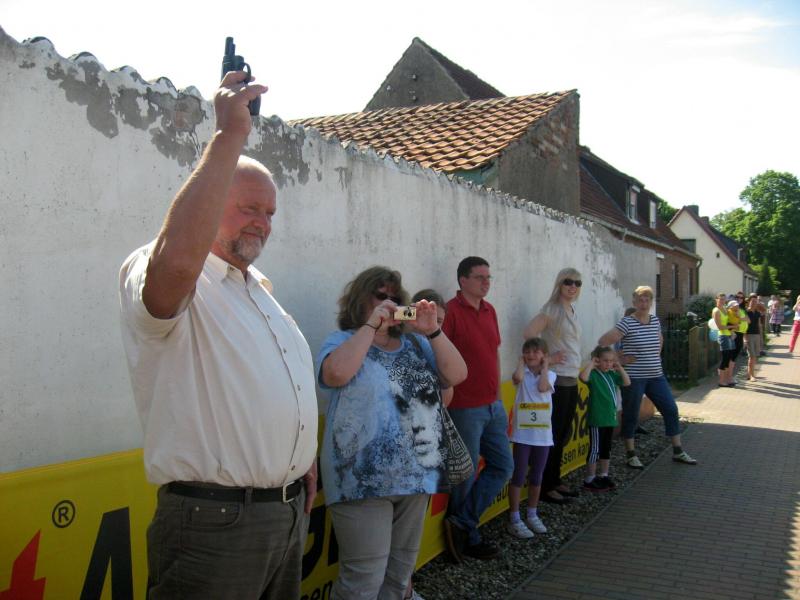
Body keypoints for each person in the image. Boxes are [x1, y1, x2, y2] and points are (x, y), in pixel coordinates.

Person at [118, 72, 319, 599]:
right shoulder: (171, 272)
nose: (262, 223)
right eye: (249, 208)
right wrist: (229, 137)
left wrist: (299, 459)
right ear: (210, 201)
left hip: (284, 512)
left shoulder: (259, 292)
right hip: (215, 524)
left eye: (269, 213)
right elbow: (177, 264)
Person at [317, 267, 467, 599]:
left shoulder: (416, 344)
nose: (388, 302)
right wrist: (371, 326)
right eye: (380, 296)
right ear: (360, 299)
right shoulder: (342, 341)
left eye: (395, 298)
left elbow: (457, 375)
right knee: (363, 581)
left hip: (415, 479)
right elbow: (336, 374)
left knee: (398, 579)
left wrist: (433, 331)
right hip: (360, 481)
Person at [442, 257, 514, 562]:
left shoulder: (490, 310)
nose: (486, 282)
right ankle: (466, 539)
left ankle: (461, 523)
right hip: (463, 408)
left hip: (492, 405)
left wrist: (497, 395)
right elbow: (438, 354)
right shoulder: (449, 312)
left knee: (503, 466)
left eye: (488, 277)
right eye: (480, 277)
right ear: (463, 280)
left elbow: (494, 353)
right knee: (465, 475)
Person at [598, 286, 697, 467]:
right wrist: (618, 358)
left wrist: (654, 356)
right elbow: (603, 341)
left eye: (647, 300)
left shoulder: (655, 320)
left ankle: (678, 450)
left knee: (670, 409)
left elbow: (659, 339)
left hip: (656, 376)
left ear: (651, 302)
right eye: (640, 300)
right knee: (631, 414)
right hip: (634, 378)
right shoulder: (627, 322)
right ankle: (631, 454)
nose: (644, 304)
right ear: (634, 302)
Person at [522, 268, 583, 504]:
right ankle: (546, 487)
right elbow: (529, 333)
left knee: (563, 433)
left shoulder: (571, 309)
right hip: (557, 380)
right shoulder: (551, 309)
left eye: (577, 283)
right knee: (553, 434)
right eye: (568, 282)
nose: (573, 286)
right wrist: (547, 360)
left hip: (571, 378)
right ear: (559, 284)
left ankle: (554, 480)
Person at [506, 338, 556, 539]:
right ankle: (514, 517)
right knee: (518, 475)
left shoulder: (550, 374)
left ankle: (532, 514)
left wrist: (545, 367)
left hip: (542, 436)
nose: (531, 355)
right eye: (527, 352)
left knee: (536, 476)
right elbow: (517, 378)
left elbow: (543, 387)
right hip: (522, 435)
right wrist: (520, 362)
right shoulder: (522, 373)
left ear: (544, 355)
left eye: (536, 352)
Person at [579, 346, 631, 492]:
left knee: (606, 448)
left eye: (611, 361)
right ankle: (589, 478)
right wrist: (591, 364)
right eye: (605, 361)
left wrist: (619, 367)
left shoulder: (612, 375)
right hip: (597, 419)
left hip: (609, 418)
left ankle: (604, 475)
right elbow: (583, 377)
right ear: (597, 360)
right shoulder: (594, 375)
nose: (608, 364)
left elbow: (627, 382)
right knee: (595, 449)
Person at [712, 293, 737, 387]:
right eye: (721, 299)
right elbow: (720, 327)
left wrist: (732, 331)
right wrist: (732, 326)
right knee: (725, 358)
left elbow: (728, 321)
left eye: (724, 299)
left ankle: (727, 379)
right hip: (723, 336)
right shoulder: (716, 311)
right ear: (716, 300)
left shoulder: (725, 309)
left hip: (729, 335)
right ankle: (721, 381)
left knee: (729, 358)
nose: (723, 301)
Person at [745, 295, 762, 381]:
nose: (754, 303)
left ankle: (749, 374)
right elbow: (744, 326)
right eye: (752, 301)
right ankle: (752, 375)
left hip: (756, 335)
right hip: (749, 335)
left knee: (754, 356)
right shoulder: (746, 312)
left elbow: (759, 325)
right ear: (749, 302)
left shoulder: (757, 313)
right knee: (752, 356)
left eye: (756, 301)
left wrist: (761, 337)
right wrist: (744, 338)